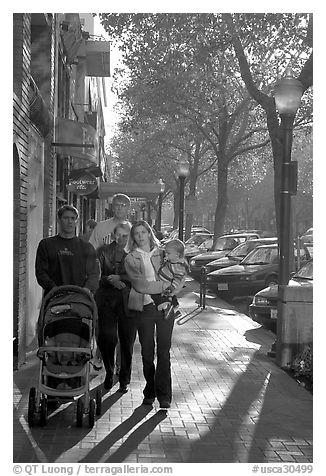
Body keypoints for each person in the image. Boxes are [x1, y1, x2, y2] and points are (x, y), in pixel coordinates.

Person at [124, 220, 185, 410]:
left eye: (144, 232)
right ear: (133, 237)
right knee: (147, 353)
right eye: (137, 233)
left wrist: (173, 290)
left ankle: (164, 395)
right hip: (145, 308)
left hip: (166, 307)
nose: (141, 236)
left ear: (150, 233)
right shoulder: (130, 258)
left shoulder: (163, 252)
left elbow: (180, 272)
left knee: (164, 351)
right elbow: (140, 285)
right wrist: (165, 286)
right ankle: (150, 390)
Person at [94, 223, 137, 392]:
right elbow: (95, 275)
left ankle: (124, 378)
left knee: (127, 341)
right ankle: (109, 371)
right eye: (117, 235)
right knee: (107, 338)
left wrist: (122, 279)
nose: (120, 239)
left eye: (125, 235)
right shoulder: (102, 251)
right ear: (113, 235)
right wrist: (109, 280)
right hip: (106, 300)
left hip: (129, 301)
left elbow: (141, 276)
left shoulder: (136, 253)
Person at [35, 205, 100, 296]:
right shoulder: (46, 245)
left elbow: (94, 273)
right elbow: (41, 272)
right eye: (66, 218)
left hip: (79, 298)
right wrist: (53, 288)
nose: (69, 221)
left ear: (76, 222)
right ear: (59, 220)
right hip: (54, 297)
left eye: (73, 218)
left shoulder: (86, 247)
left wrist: (87, 289)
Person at [151, 239, 189, 319]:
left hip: (167, 286)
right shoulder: (172, 261)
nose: (166, 255)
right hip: (163, 283)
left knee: (163, 297)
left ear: (177, 254)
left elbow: (177, 280)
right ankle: (173, 309)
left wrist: (170, 289)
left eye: (168, 253)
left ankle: (171, 310)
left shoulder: (179, 266)